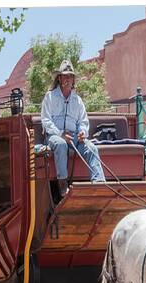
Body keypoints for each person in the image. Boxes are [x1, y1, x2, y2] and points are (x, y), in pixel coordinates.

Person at [40, 59, 105, 196]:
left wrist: (82, 133)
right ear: (59, 78)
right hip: (54, 137)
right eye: (65, 76)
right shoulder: (50, 97)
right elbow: (46, 120)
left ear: (73, 79)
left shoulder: (78, 100)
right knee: (61, 144)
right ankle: (62, 183)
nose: (68, 79)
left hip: (74, 137)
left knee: (91, 148)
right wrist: (60, 133)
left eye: (70, 76)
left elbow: (83, 121)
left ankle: (99, 183)